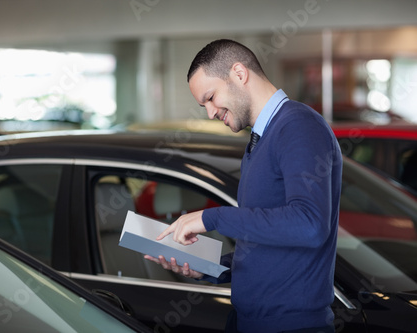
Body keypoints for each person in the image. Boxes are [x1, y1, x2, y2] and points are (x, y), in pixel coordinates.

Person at [144, 39, 342, 333]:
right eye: (204, 105)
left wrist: (210, 217)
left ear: (239, 73)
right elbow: (267, 243)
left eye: (210, 97)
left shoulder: (298, 126)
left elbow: (309, 224)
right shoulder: (260, 139)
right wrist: (210, 267)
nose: (210, 112)